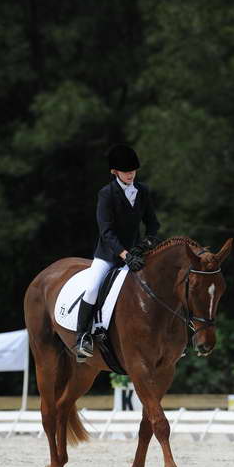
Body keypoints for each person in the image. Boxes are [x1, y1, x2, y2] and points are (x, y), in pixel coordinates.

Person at [76, 144, 160, 359]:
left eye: (133, 170)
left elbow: (153, 224)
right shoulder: (106, 194)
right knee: (93, 287)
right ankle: (82, 337)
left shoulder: (142, 191)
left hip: (137, 254)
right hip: (109, 255)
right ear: (115, 172)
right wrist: (125, 255)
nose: (131, 174)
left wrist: (147, 243)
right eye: (126, 171)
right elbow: (106, 231)